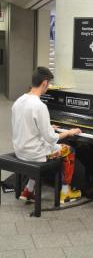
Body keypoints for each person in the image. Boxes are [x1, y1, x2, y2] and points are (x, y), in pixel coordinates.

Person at [12, 66, 82, 204]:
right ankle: (65, 192)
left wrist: (48, 127)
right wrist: (69, 132)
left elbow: (27, 126)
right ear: (44, 83)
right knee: (69, 150)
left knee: (43, 144)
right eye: (48, 84)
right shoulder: (39, 106)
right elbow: (51, 138)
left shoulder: (18, 101)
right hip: (35, 153)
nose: (48, 87)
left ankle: (28, 190)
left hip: (20, 150)